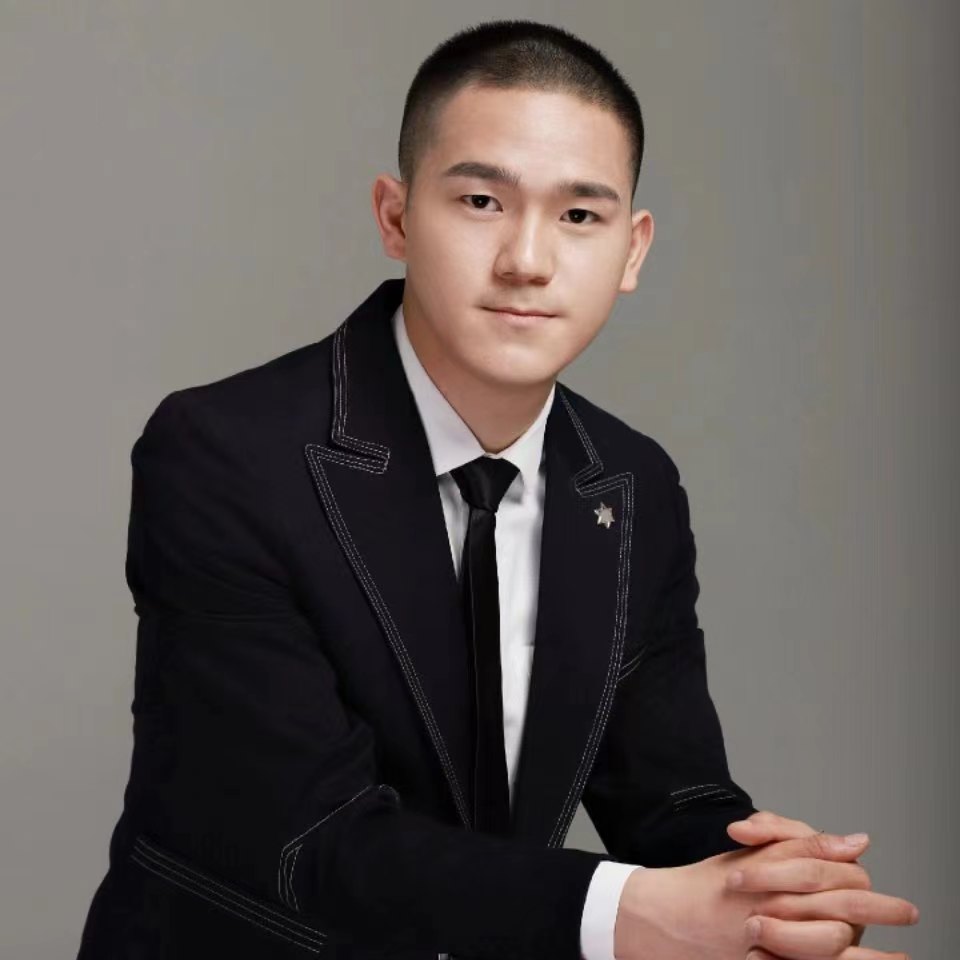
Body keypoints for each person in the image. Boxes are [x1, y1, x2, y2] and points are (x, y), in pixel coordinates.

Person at [76, 19, 919, 960]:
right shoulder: (224, 454)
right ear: (396, 217)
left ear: (633, 250)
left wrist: (770, 896)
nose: (527, 259)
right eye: (481, 200)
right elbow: (308, 839)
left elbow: (669, 796)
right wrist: (642, 915)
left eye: (580, 217)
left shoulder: (632, 481)